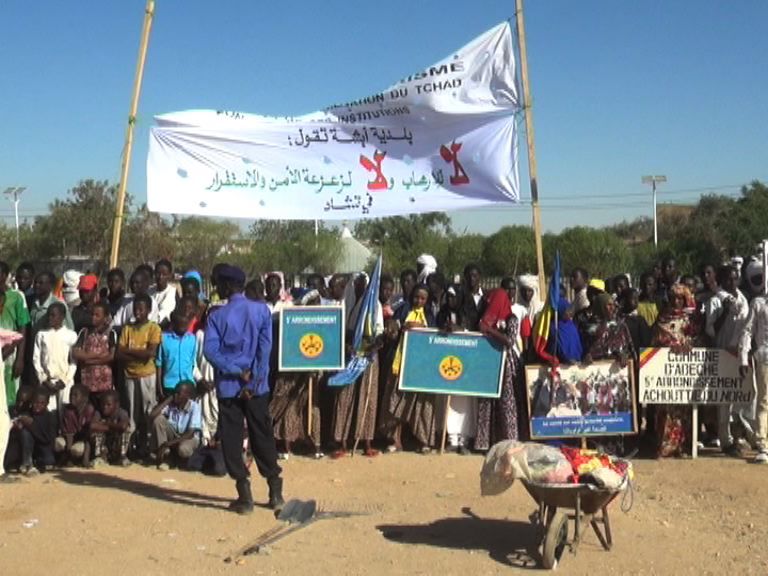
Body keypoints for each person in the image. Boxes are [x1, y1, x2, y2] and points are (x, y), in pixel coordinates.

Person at [203, 265, 284, 514]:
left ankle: (244, 495)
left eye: (217, 284)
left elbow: (210, 352)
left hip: (229, 388)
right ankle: (275, 492)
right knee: (262, 435)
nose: (216, 289)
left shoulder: (216, 316)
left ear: (226, 287)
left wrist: (237, 371)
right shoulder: (261, 311)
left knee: (232, 439)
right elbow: (264, 350)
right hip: (257, 388)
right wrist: (253, 381)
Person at [652, 283, 702, 458]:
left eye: (680, 298)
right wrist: (669, 344)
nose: (676, 301)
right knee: (665, 409)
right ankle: (665, 446)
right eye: (673, 298)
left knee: (684, 409)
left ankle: (683, 446)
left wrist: (689, 344)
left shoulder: (692, 318)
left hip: (684, 370)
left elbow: (697, 338)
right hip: (667, 370)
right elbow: (656, 339)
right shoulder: (663, 316)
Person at [706, 264, 750, 457]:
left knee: (744, 397)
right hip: (722, 354)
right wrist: (724, 312)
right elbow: (710, 331)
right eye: (728, 279)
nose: (732, 282)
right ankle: (725, 441)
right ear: (721, 281)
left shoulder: (743, 299)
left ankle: (742, 435)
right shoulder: (715, 301)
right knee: (723, 401)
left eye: (735, 278)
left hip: (741, 355)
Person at [387, 284, 436, 453]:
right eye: (416, 297)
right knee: (398, 400)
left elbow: (434, 334)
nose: (419, 301)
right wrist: (398, 328)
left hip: (421, 366)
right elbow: (393, 327)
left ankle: (423, 441)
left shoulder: (429, 314)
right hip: (402, 363)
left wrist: (420, 327)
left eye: (423, 298)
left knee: (422, 404)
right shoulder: (402, 310)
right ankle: (396, 440)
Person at [117, 294, 162, 459]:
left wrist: (128, 351)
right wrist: (138, 354)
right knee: (132, 412)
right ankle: (132, 448)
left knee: (147, 412)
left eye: (141, 309)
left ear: (149, 310)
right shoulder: (127, 329)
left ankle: (148, 447)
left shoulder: (153, 328)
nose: (138, 312)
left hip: (147, 376)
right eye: (135, 308)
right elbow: (119, 354)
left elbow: (150, 353)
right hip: (129, 375)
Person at [437, 285, 476, 453]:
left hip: (466, 364)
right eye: (448, 297)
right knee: (449, 401)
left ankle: (464, 440)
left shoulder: (468, 312)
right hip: (448, 364)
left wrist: (461, 330)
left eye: (454, 297)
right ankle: (452, 439)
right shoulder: (442, 313)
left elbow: (476, 333)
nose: (450, 300)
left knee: (465, 403)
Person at [739, 261, 768, 464]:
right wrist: (743, 357)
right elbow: (747, 331)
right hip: (765, 357)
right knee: (765, 400)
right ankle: (763, 444)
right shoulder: (758, 303)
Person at [32, 302, 78, 418]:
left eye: (53, 315)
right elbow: (36, 360)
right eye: (49, 315)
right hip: (47, 381)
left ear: (62, 317)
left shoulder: (70, 335)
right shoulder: (41, 335)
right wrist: (44, 379)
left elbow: (73, 361)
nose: (50, 318)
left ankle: (64, 434)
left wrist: (65, 380)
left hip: (64, 381)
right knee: (49, 413)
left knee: (65, 411)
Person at [149, 381, 201, 471]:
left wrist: (168, 443)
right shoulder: (172, 404)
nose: (175, 395)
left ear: (187, 396)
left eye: (178, 393)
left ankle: (181, 460)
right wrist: (167, 400)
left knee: (183, 450)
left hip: (189, 438)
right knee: (159, 420)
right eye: (175, 392)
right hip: (175, 434)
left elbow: (190, 434)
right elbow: (152, 416)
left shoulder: (194, 407)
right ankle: (167, 456)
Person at [5, 387, 57, 475]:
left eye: (42, 403)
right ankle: (27, 463)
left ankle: (35, 463)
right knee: (25, 432)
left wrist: (32, 425)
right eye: (36, 402)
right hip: (28, 451)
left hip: (43, 450)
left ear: (47, 404)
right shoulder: (27, 414)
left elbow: (48, 440)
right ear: (32, 402)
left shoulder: (50, 417)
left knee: (48, 461)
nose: (38, 405)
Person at [72, 302, 117, 398]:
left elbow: (111, 356)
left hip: (104, 382)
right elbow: (75, 352)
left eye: (97, 315)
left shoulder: (110, 333)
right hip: (87, 381)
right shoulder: (84, 332)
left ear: (105, 318)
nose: (93, 317)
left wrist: (90, 361)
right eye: (92, 314)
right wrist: (94, 355)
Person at [0, 263, 29, 409]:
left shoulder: (17, 297)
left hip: (11, 352)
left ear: (4, 276)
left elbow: (22, 327)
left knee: (11, 393)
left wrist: (20, 358)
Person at [155, 309, 197, 399]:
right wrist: (159, 388)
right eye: (180, 325)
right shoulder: (164, 338)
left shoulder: (192, 339)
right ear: (174, 325)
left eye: (186, 325)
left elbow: (193, 362)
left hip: (188, 384)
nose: (183, 328)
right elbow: (159, 364)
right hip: (170, 385)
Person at [55, 384, 95, 467]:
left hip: (85, 441)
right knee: (57, 443)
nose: (72, 397)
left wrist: (86, 459)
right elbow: (69, 434)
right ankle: (67, 458)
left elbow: (89, 435)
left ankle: (83, 458)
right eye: (71, 395)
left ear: (85, 398)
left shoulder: (89, 410)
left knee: (77, 450)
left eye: (75, 395)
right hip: (71, 440)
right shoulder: (69, 411)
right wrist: (69, 457)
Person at [90, 390, 132, 467]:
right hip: (105, 445)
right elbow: (93, 425)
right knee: (96, 431)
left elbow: (123, 426)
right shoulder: (99, 412)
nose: (105, 407)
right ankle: (100, 457)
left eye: (108, 404)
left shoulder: (121, 412)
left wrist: (107, 424)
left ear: (116, 405)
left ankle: (122, 457)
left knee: (127, 430)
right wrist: (112, 428)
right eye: (103, 404)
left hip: (117, 445)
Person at [150, 259, 177, 329]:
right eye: (158, 273)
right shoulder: (149, 291)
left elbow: (164, 317)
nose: (160, 277)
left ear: (169, 275)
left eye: (164, 274)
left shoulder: (173, 292)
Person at [461, 264, 486, 331]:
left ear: (479, 277)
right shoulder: (461, 297)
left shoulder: (486, 296)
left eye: (474, 276)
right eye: (469, 276)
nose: (472, 278)